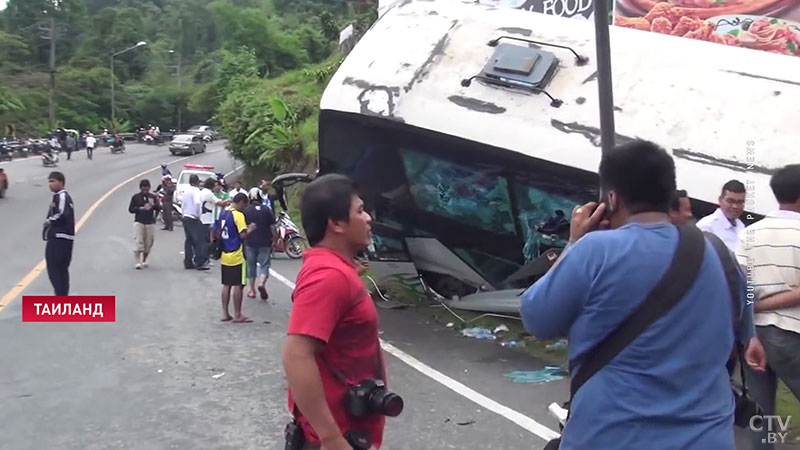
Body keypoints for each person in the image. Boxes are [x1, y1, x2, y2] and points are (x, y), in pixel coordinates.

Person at [520, 140, 765, 450]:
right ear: (669, 193)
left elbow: (536, 318)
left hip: (613, 435)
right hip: (708, 436)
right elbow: (744, 316)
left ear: (611, 198)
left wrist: (573, 243)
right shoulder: (718, 253)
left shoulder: (594, 251)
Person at [282, 174, 390, 450]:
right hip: (336, 439)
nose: (368, 218)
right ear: (336, 223)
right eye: (360, 211)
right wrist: (331, 438)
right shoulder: (330, 276)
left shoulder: (336, 270)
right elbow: (297, 355)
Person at [735, 164, 800, 450]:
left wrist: (755, 309)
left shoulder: (750, 233)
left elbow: (740, 285)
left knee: (760, 416)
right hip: (791, 332)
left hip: (753, 334)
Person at [217, 193, 256, 323]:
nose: (244, 208)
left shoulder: (224, 213)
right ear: (240, 202)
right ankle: (238, 314)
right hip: (237, 253)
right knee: (238, 284)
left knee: (226, 284)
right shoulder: (238, 215)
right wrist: (250, 229)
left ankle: (224, 313)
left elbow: (216, 231)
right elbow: (243, 235)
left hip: (225, 253)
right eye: (244, 205)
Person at [43, 171, 75, 296]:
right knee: (61, 271)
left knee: (54, 269)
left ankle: (60, 297)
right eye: (49, 182)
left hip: (59, 238)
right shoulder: (59, 197)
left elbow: (62, 214)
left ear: (61, 182)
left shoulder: (62, 196)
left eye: (52, 181)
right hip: (64, 238)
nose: (50, 184)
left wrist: (48, 221)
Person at [244, 190, 277, 300]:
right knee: (264, 264)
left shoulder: (246, 210)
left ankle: (252, 290)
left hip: (250, 242)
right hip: (265, 241)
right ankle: (261, 283)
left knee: (251, 265)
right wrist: (275, 239)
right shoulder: (267, 210)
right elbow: (273, 227)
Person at [696, 180, 747, 251]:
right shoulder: (706, 226)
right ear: (720, 200)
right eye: (730, 201)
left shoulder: (741, 226)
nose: (735, 206)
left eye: (740, 202)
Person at [128, 179, 160, 269]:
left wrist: (153, 205)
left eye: (147, 188)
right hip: (139, 221)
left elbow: (159, 208)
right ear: (141, 188)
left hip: (150, 222)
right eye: (143, 189)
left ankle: (145, 259)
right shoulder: (136, 197)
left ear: (149, 188)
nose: (145, 190)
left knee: (148, 243)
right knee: (139, 241)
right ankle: (137, 261)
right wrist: (140, 208)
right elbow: (131, 209)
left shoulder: (153, 197)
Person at [199, 177, 231, 265]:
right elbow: (220, 203)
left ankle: (201, 258)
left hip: (201, 217)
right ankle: (204, 259)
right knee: (206, 241)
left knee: (202, 240)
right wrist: (229, 201)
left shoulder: (201, 192)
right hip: (206, 219)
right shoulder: (209, 193)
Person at [181, 174, 209, 270]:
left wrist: (183, 214)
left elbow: (183, 204)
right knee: (199, 240)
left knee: (189, 240)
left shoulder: (187, 191)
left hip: (186, 216)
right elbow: (197, 203)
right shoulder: (196, 191)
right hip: (193, 217)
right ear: (197, 182)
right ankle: (199, 262)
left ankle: (188, 262)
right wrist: (198, 214)